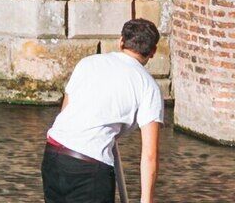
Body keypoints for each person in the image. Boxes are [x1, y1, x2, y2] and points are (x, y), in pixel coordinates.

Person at [42, 15, 165, 203]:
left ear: (121, 41)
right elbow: (150, 155)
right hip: (89, 167)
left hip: (53, 153)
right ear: (153, 51)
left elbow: (65, 110)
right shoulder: (148, 87)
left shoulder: (88, 62)